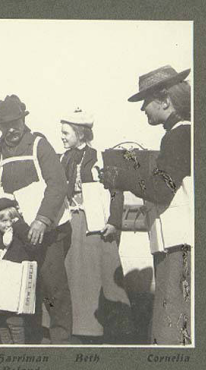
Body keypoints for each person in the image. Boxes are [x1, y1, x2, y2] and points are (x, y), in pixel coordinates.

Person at [0, 95, 73, 344]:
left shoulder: (39, 144)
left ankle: (62, 341)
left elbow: (58, 184)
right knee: (24, 284)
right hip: (20, 230)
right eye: (5, 125)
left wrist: (42, 219)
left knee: (52, 286)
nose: (11, 129)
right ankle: (28, 340)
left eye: (15, 122)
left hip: (50, 229)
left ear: (23, 120)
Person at [102, 65, 192, 345]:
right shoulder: (183, 133)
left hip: (179, 243)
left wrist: (122, 176)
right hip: (177, 240)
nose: (143, 110)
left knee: (172, 315)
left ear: (165, 100)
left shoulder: (180, 135)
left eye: (146, 102)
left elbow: (162, 189)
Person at [59, 109, 133, 344]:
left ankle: (113, 329)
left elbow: (115, 191)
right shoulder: (64, 158)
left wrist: (114, 221)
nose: (62, 137)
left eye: (65, 133)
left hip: (98, 225)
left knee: (103, 275)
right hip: (74, 222)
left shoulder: (101, 157)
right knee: (76, 275)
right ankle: (81, 327)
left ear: (80, 134)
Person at [0, 197, 40, 344]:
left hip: (14, 286)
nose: (9, 224)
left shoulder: (20, 236)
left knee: (15, 322)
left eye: (13, 220)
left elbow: (33, 246)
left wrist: (20, 226)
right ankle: (6, 348)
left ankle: (17, 350)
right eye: (4, 221)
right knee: (0, 322)